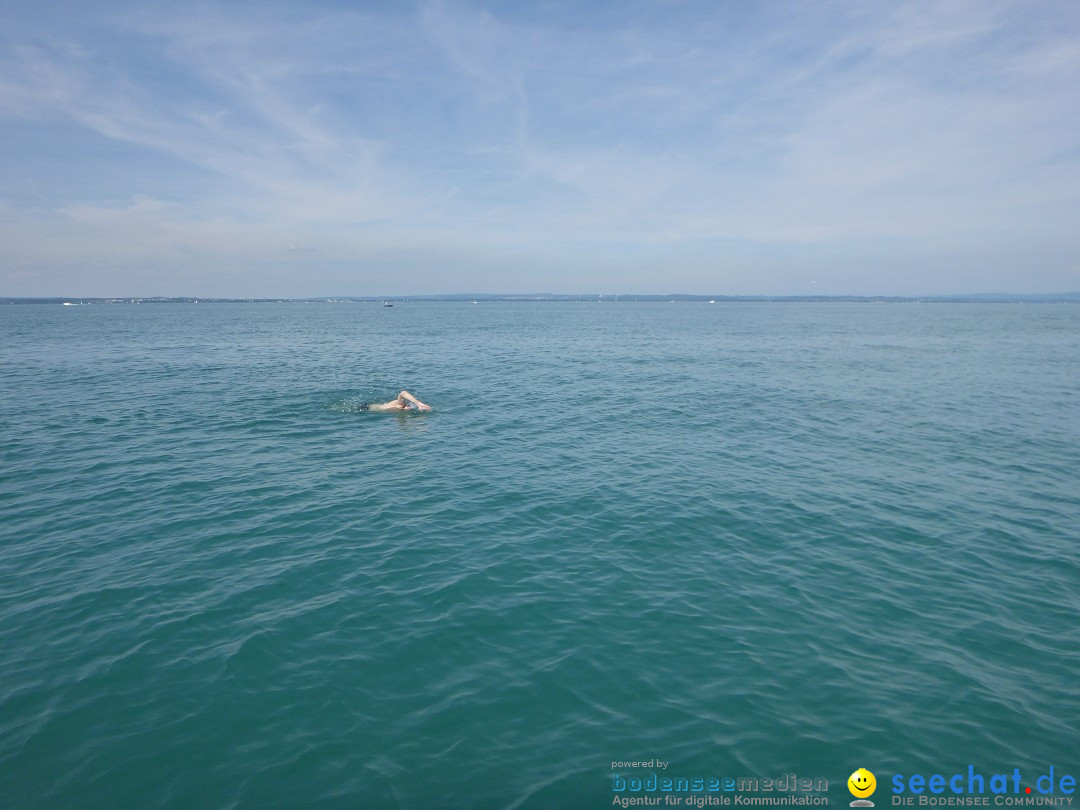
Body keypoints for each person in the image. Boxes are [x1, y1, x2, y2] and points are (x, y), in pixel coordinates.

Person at [362, 390, 432, 412]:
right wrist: (419, 404)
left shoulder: (401, 407)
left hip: (372, 406)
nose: (409, 408)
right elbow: (403, 392)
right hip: (367, 407)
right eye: (408, 406)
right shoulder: (400, 405)